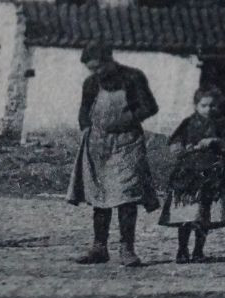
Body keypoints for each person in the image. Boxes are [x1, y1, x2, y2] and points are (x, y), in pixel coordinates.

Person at [66, 42, 159, 266]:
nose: (95, 73)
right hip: (98, 144)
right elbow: (84, 109)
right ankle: (99, 248)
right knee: (100, 196)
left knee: (127, 196)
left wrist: (124, 120)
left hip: (127, 142)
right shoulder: (90, 83)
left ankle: (127, 249)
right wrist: (86, 127)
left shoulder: (133, 78)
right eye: (91, 69)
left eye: (98, 67)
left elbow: (150, 107)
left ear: (109, 60)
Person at [158, 85, 225, 263]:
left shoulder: (221, 123)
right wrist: (181, 148)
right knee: (185, 214)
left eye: (213, 106)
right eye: (204, 105)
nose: (209, 109)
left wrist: (215, 141)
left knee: (203, 214)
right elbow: (174, 141)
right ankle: (181, 249)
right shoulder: (188, 123)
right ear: (196, 106)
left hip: (211, 175)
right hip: (188, 175)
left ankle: (198, 250)